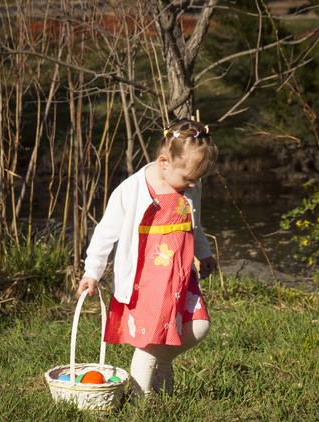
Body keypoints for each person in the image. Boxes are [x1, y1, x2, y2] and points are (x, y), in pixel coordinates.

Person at [78, 119, 218, 402]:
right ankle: (139, 403)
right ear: (164, 162)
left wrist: (203, 253)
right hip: (149, 280)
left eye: (197, 179)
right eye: (189, 178)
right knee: (150, 341)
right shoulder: (133, 190)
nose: (193, 184)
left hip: (180, 276)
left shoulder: (187, 189)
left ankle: (163, 363)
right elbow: (106, 232)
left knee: (199, 326)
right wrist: (92, 271)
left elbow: (194, 224)